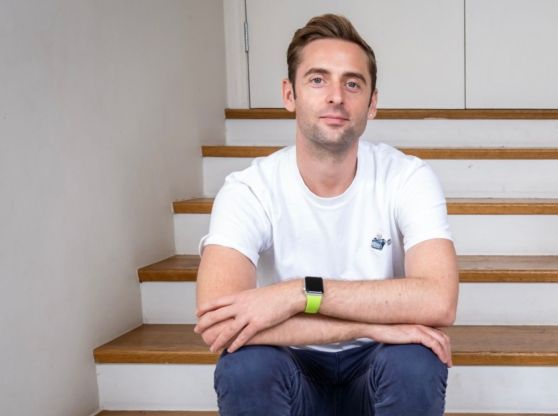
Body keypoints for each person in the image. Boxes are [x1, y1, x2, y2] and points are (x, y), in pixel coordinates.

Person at [194, 13, 458, 416]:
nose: (336, 95)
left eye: (352, 83)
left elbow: (439, 299)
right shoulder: (249, 189)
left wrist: (300, 291)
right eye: (318, 80)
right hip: (291, 366)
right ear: (289, 94)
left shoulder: (407, 177)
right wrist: (368, 325)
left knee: (415, 362)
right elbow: (219, 321)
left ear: (372, 103)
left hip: (378, 367)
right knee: (244, 367)